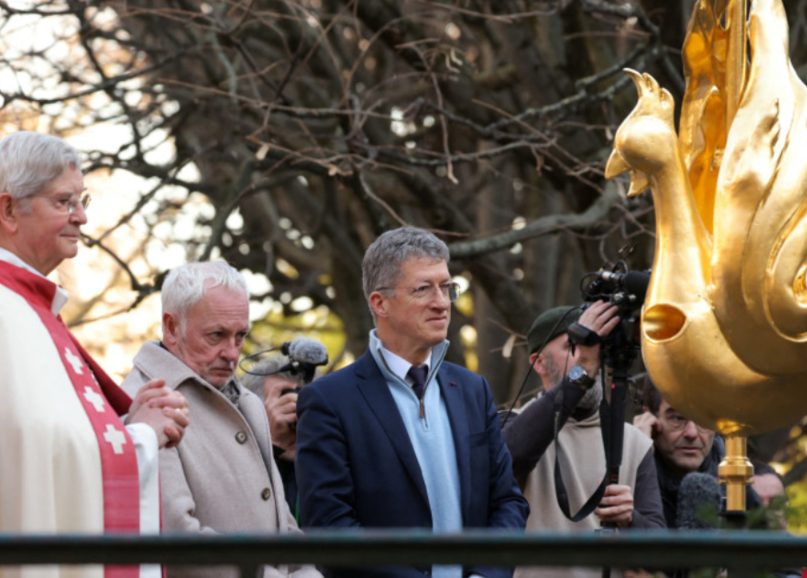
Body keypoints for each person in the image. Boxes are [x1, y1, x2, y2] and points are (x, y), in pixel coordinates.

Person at [0, 131, 190, 578]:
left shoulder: (16, 304)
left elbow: (40, 443)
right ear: (9, 210)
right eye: (65, 202)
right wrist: (141, 439)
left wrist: (129, 422)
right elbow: (28, 458)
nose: (83, 217)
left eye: (82, 200)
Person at [295, 226, 529, 578]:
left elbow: (508, 502)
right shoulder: (329, 400)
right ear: (379, 303)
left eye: (447, 287)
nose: (441, 302)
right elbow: (329, 529)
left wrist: (485, 575)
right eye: (423, 289)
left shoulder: (472, 389)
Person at [122, 262, 319, 578]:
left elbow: (282, 522)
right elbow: (176, 535)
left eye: (240, 336)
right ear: (171, 327)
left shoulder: (248, 401)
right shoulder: (142, 404)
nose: (232, 353)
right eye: (217, 335)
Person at [502, 303, 665, 578]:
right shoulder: (512, 424)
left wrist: (630, 520)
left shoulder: (635, 443)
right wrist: (583, 372)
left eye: (593, 348)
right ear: (538, 362)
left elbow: (662, 556)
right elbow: (513, 455)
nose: (588, 356)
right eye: (573, 347)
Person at [634, 380, 759, 528]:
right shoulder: (626, 476)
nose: (692, 433)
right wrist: (639, 453)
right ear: (649, 418)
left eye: (703, 419)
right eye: (677, 419)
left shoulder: (736, 483)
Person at [241, 352, 312, 518]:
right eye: (283, 400)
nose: (294, 415)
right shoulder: (235, 459)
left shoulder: (335, 459)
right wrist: (273, 444)